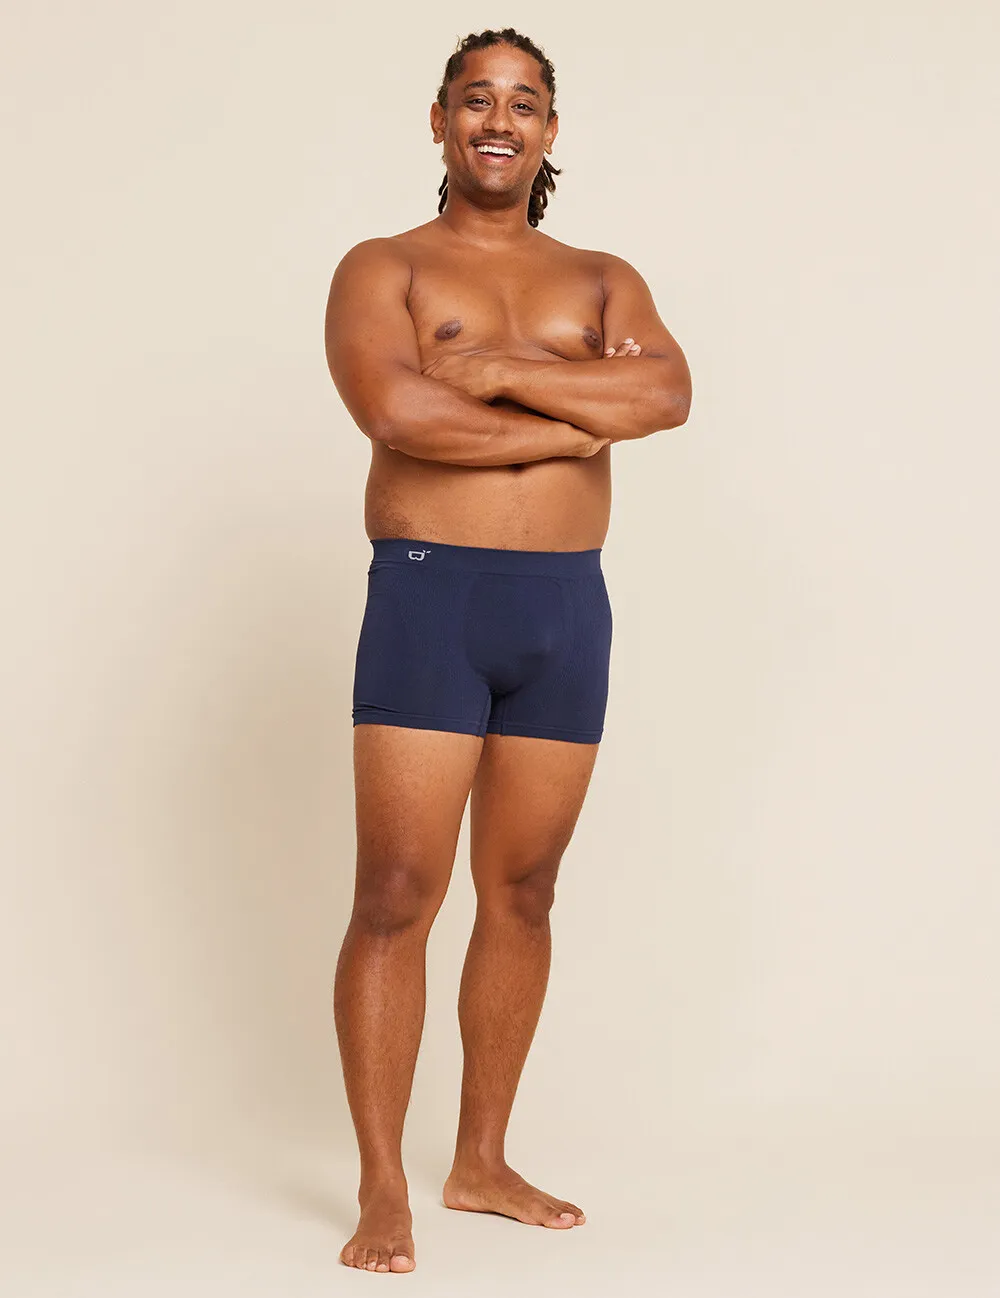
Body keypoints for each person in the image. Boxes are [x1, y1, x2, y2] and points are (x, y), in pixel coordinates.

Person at [324, 27, 691, 1274]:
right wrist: (575, 415)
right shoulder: (384, 265)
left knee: (524, 889)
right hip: (433, 595)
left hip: (564, 609)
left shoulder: (601, 276)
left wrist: (488, 374)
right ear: (439, 122)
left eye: (523, 102)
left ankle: (479, 1158)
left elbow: (664, 396)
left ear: (549, 131)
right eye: (475, 99)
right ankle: (383, 1184)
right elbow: (396, 409)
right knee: (395, 894)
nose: (499, 119)